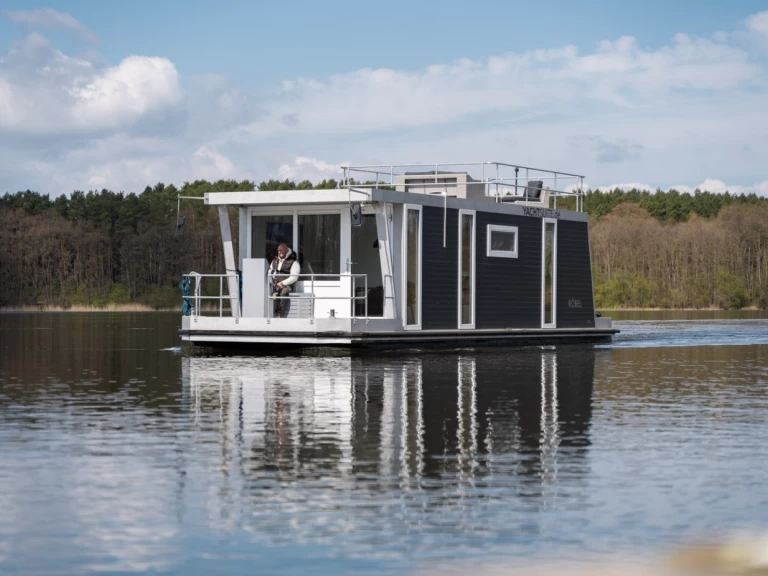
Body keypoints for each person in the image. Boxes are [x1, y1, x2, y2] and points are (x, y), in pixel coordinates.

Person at [269, 242, 300, 318]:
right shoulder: (274, 261)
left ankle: (280, 314)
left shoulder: (294, 262)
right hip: (274, 285)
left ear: (286, 250)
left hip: (286, 286)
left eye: (281, 250)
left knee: (284, 292)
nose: (279, 252)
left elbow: (294, 277)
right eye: (278, 250)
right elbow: (269, 271)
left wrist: (283, 283)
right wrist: (272, 279)